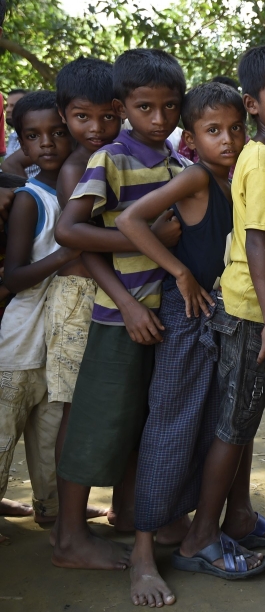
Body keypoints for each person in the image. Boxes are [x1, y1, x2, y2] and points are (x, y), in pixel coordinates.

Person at [174, 44, 265, 578]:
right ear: (253, 104)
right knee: (232, 427)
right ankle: (199, 540)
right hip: (251, 313)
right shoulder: (259, 159)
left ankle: (238, 517)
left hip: (262, 310)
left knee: (244, 422)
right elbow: (258, 244)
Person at [52, 49, 188, 569]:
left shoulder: (177, 164)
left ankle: (133, 514)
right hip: (118, 314)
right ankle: (68, 537)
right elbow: (73, 233)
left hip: (163, 314)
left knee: (141, 422)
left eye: (170, 107)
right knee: (96, 423)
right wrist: (129, 301)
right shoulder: (108, 159)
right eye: (146, 107)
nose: (159, 120)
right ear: (123, 106)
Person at [116, 81, 248, 603]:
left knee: (205, 427)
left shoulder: (239, 178)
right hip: (186, 315)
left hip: (218, 315)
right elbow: (131, 220)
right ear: (191, 139)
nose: (228, 139)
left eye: (236, 128)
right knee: (170, 427)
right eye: (213, 131)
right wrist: (178, 273)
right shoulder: (195, 178)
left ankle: (186, 530)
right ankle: (142, 556)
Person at [44, 58, 121, 527]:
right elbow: (73, 237)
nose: (96, 128)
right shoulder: (78, 167)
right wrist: (144, 237)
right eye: (81, 116)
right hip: (78, 297)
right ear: (62, 112)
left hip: (102, 294)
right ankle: (65, 525)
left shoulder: (111, 158)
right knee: (78, 410)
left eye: (107, 116)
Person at [0, 91, 77, 544]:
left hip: (53, 341)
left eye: (56, 132)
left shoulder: (73, 191)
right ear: (22, 145)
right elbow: (15, 275)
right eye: (34, 136)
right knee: (4, 431)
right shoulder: (29, 199)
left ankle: (52, 507)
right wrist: (69, 252)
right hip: (18, 340)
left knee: (48, 435)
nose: (47, 143)